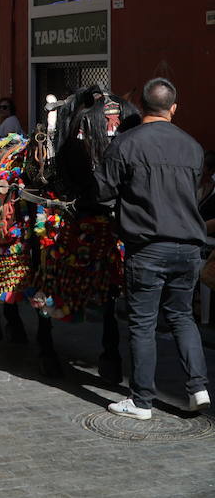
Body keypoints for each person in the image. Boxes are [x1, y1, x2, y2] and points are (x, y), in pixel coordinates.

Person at [94, 78, 210, 420]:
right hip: (189, 246)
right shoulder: (193, 146)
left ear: (141, 107)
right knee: (182, 317)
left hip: (147, 247)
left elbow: (102, 192)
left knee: (143, 323)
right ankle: (198, 387)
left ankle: (142, 400)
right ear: (173, 108)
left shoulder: (126, 144)